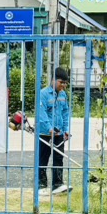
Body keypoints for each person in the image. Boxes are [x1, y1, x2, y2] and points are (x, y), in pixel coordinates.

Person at [36, 65, 72, 195]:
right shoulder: (43, 94)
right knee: (43, 158)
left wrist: (66, 129)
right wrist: (49, 128)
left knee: (59, 157)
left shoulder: (63, 95)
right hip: (45, 133)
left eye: (65, 83)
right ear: (54, 80)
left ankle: (57, 184)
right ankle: (41, 185)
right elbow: (42, 113)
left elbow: (65, 112)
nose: (63, 85)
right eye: (61, 82)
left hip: (59, 133)